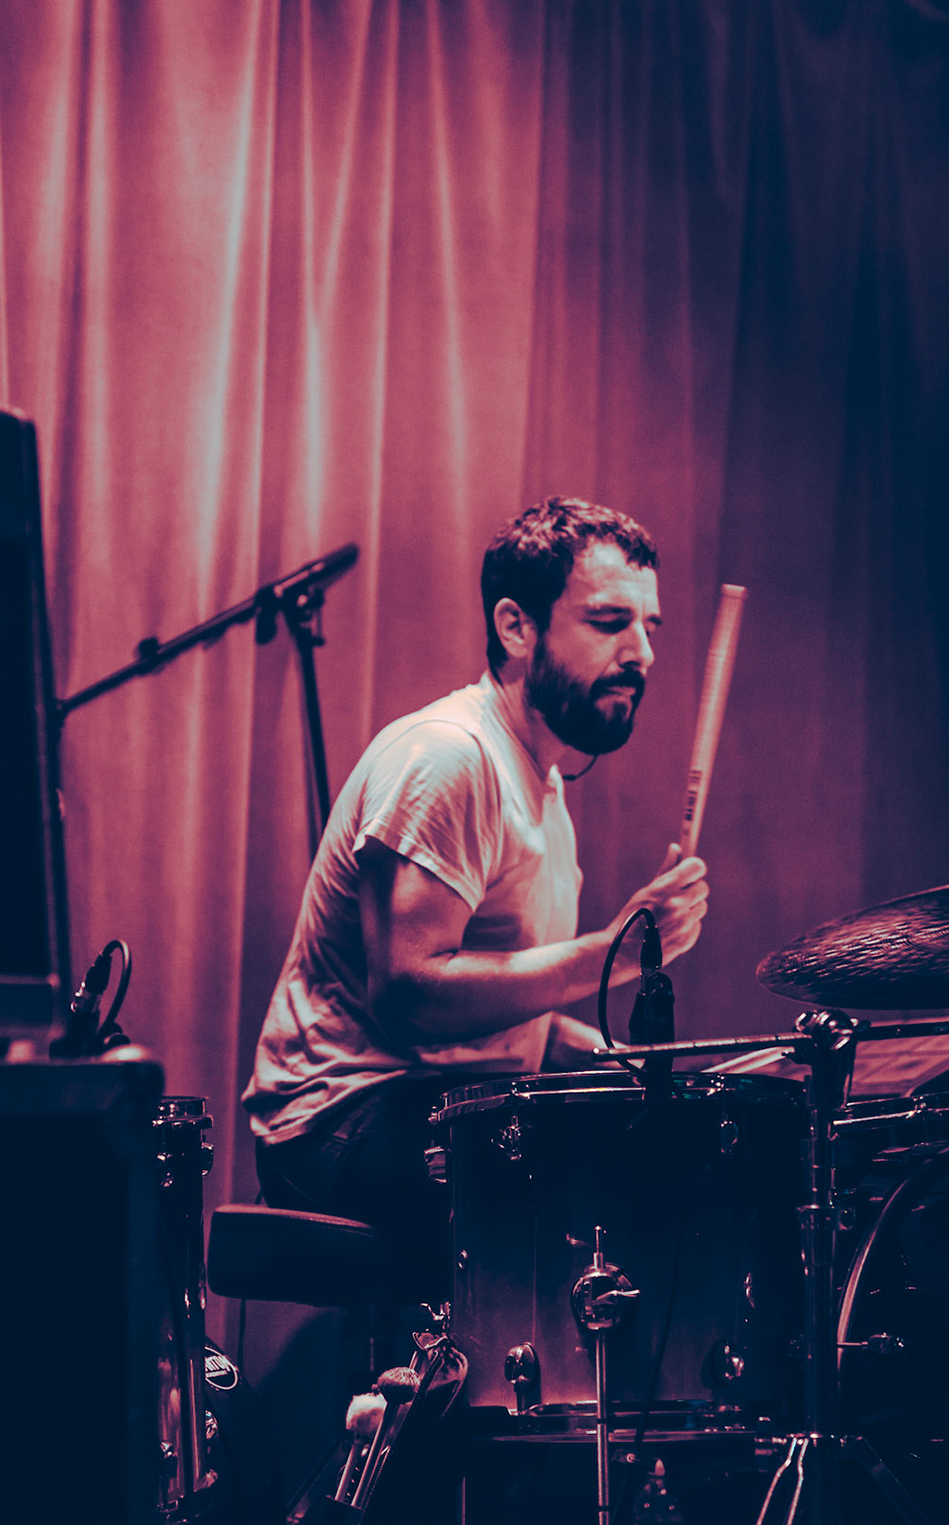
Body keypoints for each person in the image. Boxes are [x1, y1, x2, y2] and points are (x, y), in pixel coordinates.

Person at [244, 496, 710, 1290]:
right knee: (608, 1198)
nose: (641, 653)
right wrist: (611, 955)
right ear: (516, 627)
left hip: (437, 1095)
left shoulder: (542, 784)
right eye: (609, 623)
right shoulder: (450, 757)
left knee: (674, 1143)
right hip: (339, 1115)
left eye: (649, 626)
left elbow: (493, 1014)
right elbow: (410, 995)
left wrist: (619, 1064)